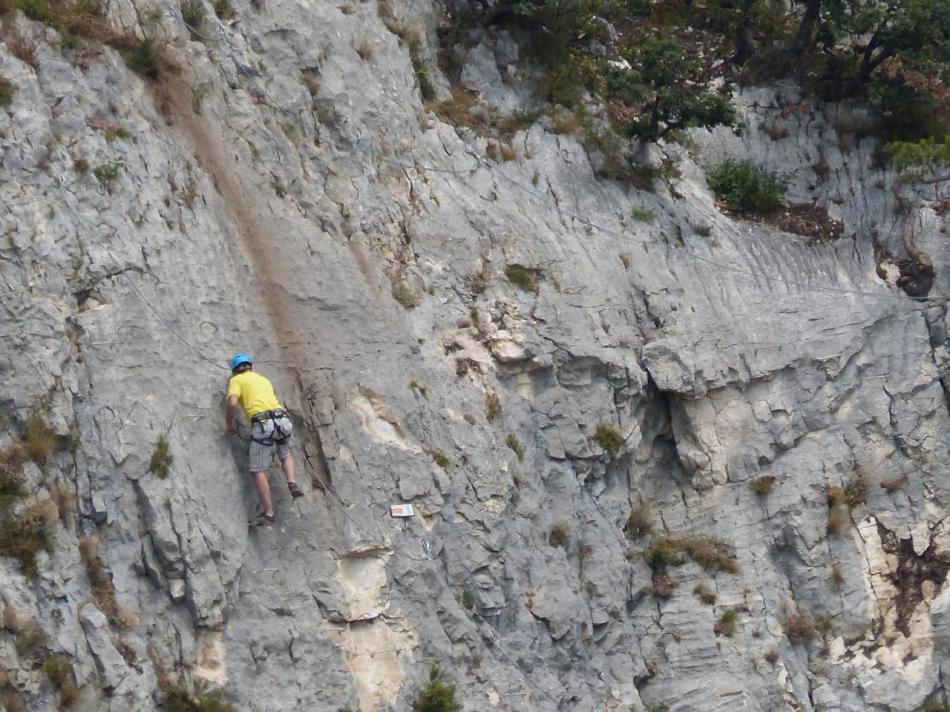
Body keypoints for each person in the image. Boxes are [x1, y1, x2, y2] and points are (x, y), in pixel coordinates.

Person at [224, 353, 303, 524]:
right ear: (250, 366)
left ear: (235, 370)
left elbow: (232, 403)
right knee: (285, 451)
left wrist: (229, 424)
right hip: (282, 420)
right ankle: (292, 482)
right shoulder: (263, 379)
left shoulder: (236, 381)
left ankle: (269, 513)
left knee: (258, 470)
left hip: (263, 423)